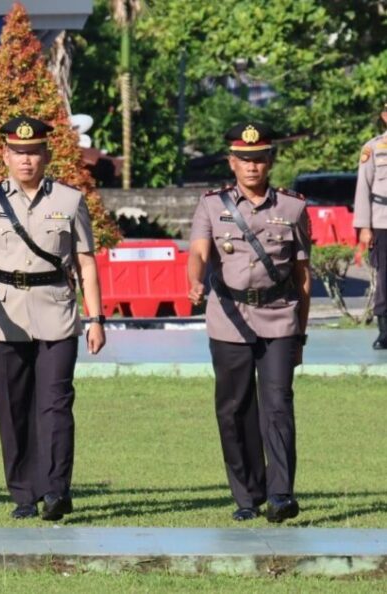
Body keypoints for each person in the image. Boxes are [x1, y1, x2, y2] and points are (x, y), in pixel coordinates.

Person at [0, 116, 106, 521]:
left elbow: (85, 262)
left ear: (46, 154)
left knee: (55, 405)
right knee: (13, 407)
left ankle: (56, 490)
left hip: (56, 310)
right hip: (4, 313)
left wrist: (95, 318)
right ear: (5, 154)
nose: (26, 160)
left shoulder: (69, 200)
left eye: (34, 152)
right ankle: (24, 493)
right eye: (18, 153)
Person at [187, 122, 311, 523]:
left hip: (278, 319)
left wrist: (300, 334)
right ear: (232, 162)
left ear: (270, 161)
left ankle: (280, 494)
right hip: (229, 319)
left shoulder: (293, 207)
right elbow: (200, 252)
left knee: (278, 405)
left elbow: (302, 276)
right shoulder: (211, 205)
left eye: (259, 159)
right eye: (244, 160)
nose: (252, 167)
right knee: (234, 407)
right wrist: (193, 279)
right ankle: (246, 495)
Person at [354, 101, 387, 349]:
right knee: (384, 276)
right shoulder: (373, 148)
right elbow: (362, 189)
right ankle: (384, 331)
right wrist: (364, 227)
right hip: (382, 220)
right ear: (385, 117)